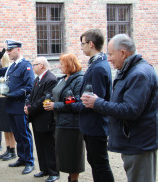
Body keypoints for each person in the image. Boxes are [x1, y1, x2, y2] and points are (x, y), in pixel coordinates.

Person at [81, 34, 158, 182]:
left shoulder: (139, 74)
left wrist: (97, 103)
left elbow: (130, 110)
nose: (108, 58)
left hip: (139, 142)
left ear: (122, 53)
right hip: (133, 141)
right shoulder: (131, 71)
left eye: (110, 54)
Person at [70, 29, 114, 182]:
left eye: (83, 44)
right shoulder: (96, 64)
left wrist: (72, 106)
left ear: (91, 44)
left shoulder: (99, 67)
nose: (81, 47)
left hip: (95, 125)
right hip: (92, 124)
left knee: (100, 163)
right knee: (95, 162)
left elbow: (95, 100)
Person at [0, 40, 35, 175]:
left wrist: (11, 95)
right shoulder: (12, 67)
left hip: (19, 106)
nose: (8, 53)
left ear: (18, 50)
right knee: (17, 134)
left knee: (24, 135)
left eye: (11, 50)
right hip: (10, 106)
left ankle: (29, 162)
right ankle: (22, 158)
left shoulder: (25, 66)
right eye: (7, 51)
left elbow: (29, 87)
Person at [44, 53, 85, 182]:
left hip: (72, 125)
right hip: (60, 122)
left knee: (73, 157)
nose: (59, 66)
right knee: (64, 156)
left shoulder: (79, 79)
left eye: (62, 64)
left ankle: (73, 180)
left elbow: (76, 103)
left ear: (69, 64)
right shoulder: (63, 79)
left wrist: (55, 105)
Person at [23, 57, 59, 182]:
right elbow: (32, 95)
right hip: (37, 117)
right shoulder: (38, 78)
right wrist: (27, 105)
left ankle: (54, 172)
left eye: (35, 65)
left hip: (46, 118)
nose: (32, 67)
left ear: (42, 65)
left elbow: (45, 98)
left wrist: (31, 108)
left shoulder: (51, 79)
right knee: (39, 144)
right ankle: (44, 169)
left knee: (49, 145)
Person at [0, 53, 17, 161]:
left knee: (9, 128)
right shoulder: (1, 72)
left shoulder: (9, 72)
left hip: (6, 101)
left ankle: (12, 150)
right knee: (4, 128)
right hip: (0, 101)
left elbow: (7, 88)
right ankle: (8, 149)